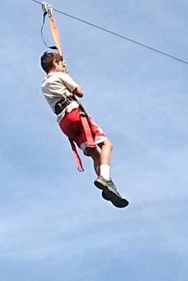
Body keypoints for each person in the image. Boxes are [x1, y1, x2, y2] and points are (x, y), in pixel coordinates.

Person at [40, 51, 128, 208]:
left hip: (64, 123)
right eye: (61, 63)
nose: (64, 65)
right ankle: (106, 179)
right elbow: (80, 92)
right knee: (107, 145)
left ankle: (106, 183)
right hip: (74, 113)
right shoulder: (60, 76)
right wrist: (66, 74)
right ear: (55, 64)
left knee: (95, 154)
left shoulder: (44, 84)